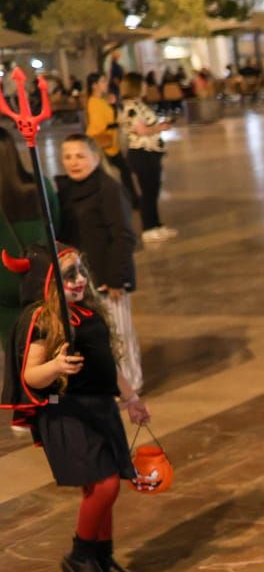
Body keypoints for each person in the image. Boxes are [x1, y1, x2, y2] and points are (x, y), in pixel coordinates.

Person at [0, 243, 151, 572]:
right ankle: (80, 554)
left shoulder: (88, 315)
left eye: (82, 272)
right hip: (64, 409)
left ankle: (103, 556)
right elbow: (31, 376)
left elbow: (106, 365)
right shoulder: (42, 319)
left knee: (99, 487)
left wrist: (130, 398)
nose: (80, 280)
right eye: (70, 276)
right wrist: (54, 367)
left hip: (100, 409)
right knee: (106, 484)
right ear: (48, 282)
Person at [56, 134, 143, 392]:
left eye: (80, 156)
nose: (74, 162)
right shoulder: (65, 190)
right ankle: (106, 383)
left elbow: (123, 235)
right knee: (94, 336)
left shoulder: (109, 188)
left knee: (118, 334)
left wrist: (117, 277)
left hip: (107, 277)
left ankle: (131, 384)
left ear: (96, 157)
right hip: (79, 279)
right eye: (68, 157)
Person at [0, 137, 57, 356]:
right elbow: (56, 226)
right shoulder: (40, 185)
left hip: (4, 285)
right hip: (40, 277)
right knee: (46, 344)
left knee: (14, 349)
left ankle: (20, 387)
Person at [118, 73, 175, 244]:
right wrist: (160, 128)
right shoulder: (131, 107)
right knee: (148, 191)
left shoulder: (139, 104)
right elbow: (141, 130)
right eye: (142, 84)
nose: (145, 87)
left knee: (153, 189)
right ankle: (148, 228)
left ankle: (156, 224)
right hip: (142, 152)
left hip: (151, 151)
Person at [84, 72, 137, 211]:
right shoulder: (93, 102)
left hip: (109, 142)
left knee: (118, 171)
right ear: (94, 85)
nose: (105, 84)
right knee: (122, 170)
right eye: (102, 82)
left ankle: (130, 200)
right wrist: (118, 124)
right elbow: (99, 125)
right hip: (102, 143)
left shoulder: (100, 100)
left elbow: (109, 117)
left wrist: (113, 105)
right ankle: (132, 200)